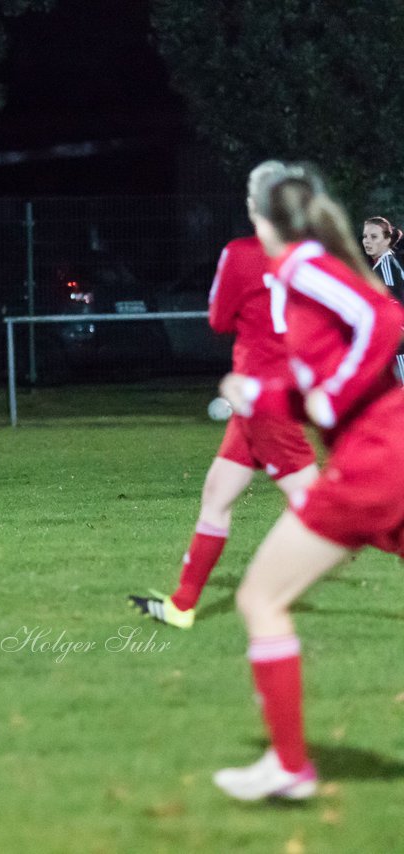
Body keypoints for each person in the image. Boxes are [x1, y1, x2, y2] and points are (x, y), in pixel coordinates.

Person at [212, 165, 404, 800]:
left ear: (265, 219)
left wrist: (328, 399)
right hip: (385, 453)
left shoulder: (300, 266)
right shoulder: (298, 276)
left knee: (259, 599)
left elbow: (385, 321)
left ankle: (289, 767)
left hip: (375, 461)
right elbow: (314, 380)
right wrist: (264, 393)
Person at [129, 161, 318, 629]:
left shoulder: (240, 253)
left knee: (324, 508)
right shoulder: (309, 254)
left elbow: (217, 320)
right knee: (216, 493)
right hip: (271, 397)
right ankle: (182, 606)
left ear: (256, 206)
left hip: (262, 397)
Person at [361, 215, 404, 378]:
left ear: (386, 240)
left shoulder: (386, 266)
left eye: (374, 237)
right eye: (365, 236)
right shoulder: (383, 264)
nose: (367, 241)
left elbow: (394, 305)